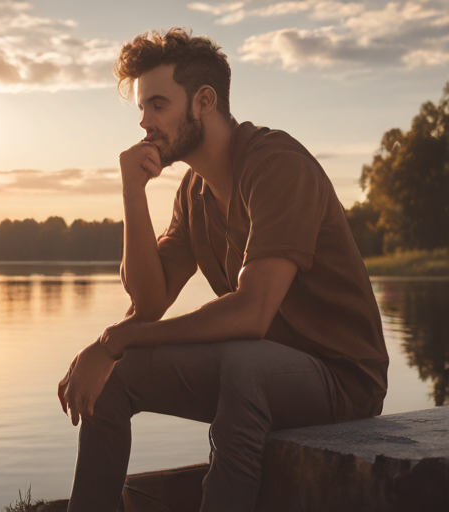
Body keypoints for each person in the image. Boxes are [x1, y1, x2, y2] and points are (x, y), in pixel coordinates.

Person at [58, 27, 389, 512]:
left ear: (204, 101)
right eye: (142, 109)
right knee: (115, 377)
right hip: (263, 371)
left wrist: (114, 339)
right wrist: (131, 193)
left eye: (157, 105)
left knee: (242, 363)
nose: (145, 123)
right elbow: (148, 303)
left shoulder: (276, 165)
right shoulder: (192, 194)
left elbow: (252, 313)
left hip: (342, 382)